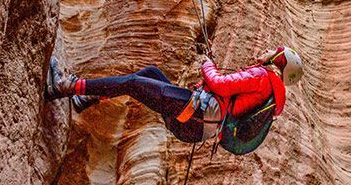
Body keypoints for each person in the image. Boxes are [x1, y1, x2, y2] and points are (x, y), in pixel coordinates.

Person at [45, 46, 303, 146]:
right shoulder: (270, 94)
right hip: (198, 125)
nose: (266, 50)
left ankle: (65, 86)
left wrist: (207, 63)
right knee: (151, 74)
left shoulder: (262, 77)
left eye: (273, 51)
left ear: (278, 60)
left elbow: (220, 85)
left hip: (198, 114)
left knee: (135, 83)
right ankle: (86, 98)